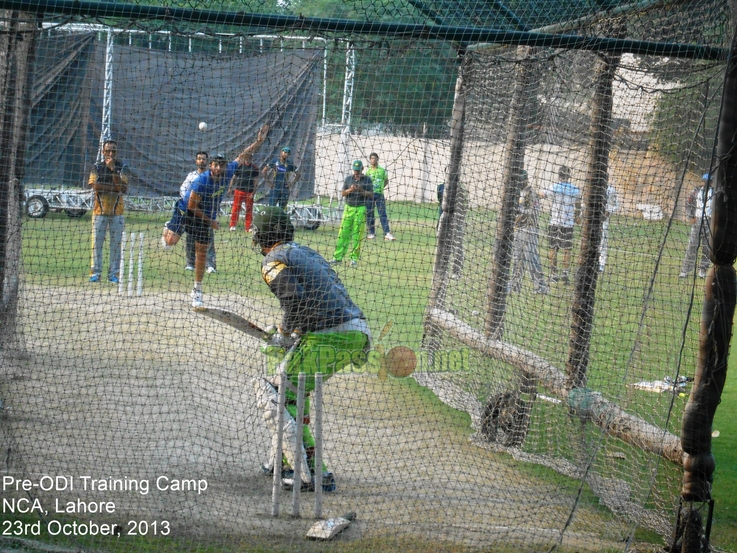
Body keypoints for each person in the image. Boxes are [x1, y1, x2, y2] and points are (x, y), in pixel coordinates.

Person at [250, 205, 371, 491]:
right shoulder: (305, 251)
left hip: (329, 335)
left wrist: (286, 333)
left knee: (277, 396)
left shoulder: (272, 261)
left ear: (263, 235)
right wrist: (294, 333)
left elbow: (295, 300)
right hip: (355, 331)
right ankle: (283, 460)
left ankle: (315, 474)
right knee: (293, 393)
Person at [187, 124, 268, 307]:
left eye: (222, 165)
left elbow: (243, 155)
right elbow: (191, 206)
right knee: (170, 240)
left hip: (205, 216)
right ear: (211, 166)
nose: (219, 168)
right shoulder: (201, 181)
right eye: (216, 165)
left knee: (201, 251)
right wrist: (212, 221)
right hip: (187, 210)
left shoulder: (229, 171)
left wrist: (258, 141)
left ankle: (197, 290)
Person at [161, 151, 217, 273]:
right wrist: (191, 203)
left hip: (205, 212)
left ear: (207, 162)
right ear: (196, 161)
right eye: (199, 159)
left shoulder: (211, 177)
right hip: (191, 211)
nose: (202, 161)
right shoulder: (191, 176)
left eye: (204, 159)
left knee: (208, 238)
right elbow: (183, 190)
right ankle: (190, 263)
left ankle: (210, 265)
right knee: (190, 237)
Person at [88, 139, 130, 283]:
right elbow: (96, 186)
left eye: (113, 151)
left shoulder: (122, 167)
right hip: (99, 211)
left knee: (116, 244)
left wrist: (113, 171)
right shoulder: (97, 167)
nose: (111, 154)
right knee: (97, 243)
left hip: (117, 212)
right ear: (103, 151)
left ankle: (114, 273)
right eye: (108, 151)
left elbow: (123, 189)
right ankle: (95, 272)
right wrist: (114, 187)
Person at [509, 170, 548, 294]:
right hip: (518, 229)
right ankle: (515, 285)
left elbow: (534, 212)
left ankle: (541, 286)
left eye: (520, 180)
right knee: (517, 257)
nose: (518, 182)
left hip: (530, 229)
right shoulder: (517, 193)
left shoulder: (531, 193)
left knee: (532, 258)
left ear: (525, 180)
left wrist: (520, 213)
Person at [541, 165, 581, 284]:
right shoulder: (575, 190)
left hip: (555, 223)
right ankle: (565, 274)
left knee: (553, 248)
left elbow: (542, 194)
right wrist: (576, 217)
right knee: (567, 250)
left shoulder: (554, 187)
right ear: (569, 176)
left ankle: (553, 274)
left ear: (559, 176)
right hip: (568, 224)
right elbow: (578, 205)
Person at [331, 160, 374, 267]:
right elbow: (342, 193)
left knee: (357, 234)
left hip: (360, 208)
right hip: (348, 208)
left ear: (362, 169)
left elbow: (371, 194)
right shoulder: (348, 179)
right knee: (343, 233)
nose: (356, 172)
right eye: (355, 170)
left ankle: (354, 259)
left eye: (358, 170)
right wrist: (350, 190)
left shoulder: (367, 180)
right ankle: (337, 258)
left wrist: (361, 190)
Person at [679, 173, 713, 279]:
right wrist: (690, 217)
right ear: (703, 181)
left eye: (709, 182)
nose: (707, 183)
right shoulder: (696, 191)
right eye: (705, 181)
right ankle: (685, 271)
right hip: (698, 221)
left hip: (709, 221)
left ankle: (702, 270)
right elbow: (688, 203)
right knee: (692, 246)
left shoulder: (715, 193)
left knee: (707, 248)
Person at [365, 153, 396, 241]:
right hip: (370, 195)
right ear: (370, 160)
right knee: (370, 214)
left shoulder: (383, 170)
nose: (373, 160)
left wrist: (380, 188)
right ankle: (371, 233)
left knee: (382, 214)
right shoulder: (368, 171)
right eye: (371, 158)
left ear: (377, 159)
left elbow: (386, 181)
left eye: (374, 158)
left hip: (379, 195)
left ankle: (387, 233)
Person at [228, 152, 261, 233]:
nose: (248, 159)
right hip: (239, 190)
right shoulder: (240, 166)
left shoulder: (255, 168)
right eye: (247, 157)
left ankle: (248, 227)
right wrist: (230, 188)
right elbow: (234, 178)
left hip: (249, 192)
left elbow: (256, 182)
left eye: (250, 157)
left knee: (249, 209)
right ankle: (233, 225)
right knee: (236, 208)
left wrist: (253, 193)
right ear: (245, 158)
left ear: (252, 158)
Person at [598, 181, 619, 273]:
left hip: (604, 221)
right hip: (594, 218)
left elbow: (617, 204)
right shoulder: (596, 188)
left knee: (603, 242)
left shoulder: (611, 190)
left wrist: (609, 212)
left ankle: (601, 264)